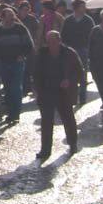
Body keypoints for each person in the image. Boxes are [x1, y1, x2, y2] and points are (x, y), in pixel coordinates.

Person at [33, 30, 82, 160]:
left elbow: (79, 72)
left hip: (63, 92)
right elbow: (36, 73)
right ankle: (45, 150)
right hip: (46, 91)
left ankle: (73, 144)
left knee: (68, 119)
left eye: (53, 41)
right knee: (46, 122)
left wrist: (69, 81)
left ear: (59, 40)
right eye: (48, 42)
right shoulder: (42, 54)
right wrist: (37, 89)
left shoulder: (69, 53)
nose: (50, 44)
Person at [0, 7, 34, 124]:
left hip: (17, 62)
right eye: (8, 15)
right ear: (3, 17)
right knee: (8, 88)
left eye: (12, 15)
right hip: (4, 63)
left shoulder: (20, 28)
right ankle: (10, 111)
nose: (11, 17)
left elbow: (29, 44)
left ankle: (15, 113)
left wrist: (22, 55)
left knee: (16, 88)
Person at [60, 0, 94, 105]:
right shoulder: (68, 20)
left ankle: (82, 96)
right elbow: (63, 35)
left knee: (82, 73)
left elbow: (92, 36)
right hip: (70, 50)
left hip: (83, 49)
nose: (84, 9)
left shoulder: (88, 20)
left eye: (84, 7)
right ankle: (72, 96)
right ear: (76, 8)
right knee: (70, 73)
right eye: (82, 7)